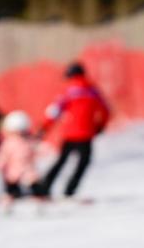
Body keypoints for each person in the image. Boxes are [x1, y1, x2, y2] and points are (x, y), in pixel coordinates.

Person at [38, 63, 110, 199]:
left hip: (70, 133)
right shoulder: (93, 90)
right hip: (87, 134)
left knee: (61, 161)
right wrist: (100, 126)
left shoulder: (68, 91)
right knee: (83, 162)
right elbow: (106, 110)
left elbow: (55, 111)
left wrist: (44, 128)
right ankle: (70, 189)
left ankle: (45, 186)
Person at [0, 110, 44, 209]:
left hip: (28, 170)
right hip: (13, 172)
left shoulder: (29, 141)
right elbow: (3, 156)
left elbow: (37, 149)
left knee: (35, 185)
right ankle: (6, 203)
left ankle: (39, 202)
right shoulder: (9, 143)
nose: (21, 133)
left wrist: (41, 151)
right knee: (12, 189)